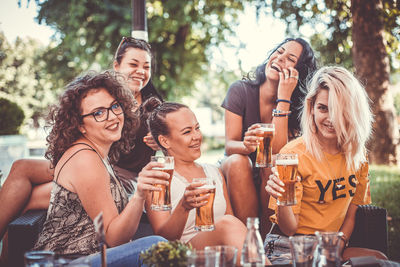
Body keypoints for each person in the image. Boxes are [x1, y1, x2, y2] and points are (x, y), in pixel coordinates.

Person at [0, 37, 162, 253]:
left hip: (120, 176)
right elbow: (116, 238)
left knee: (31, 199)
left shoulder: (153, 105)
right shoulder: (98, 95)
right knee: (22, 167)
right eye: (133, 64)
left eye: (146, 66)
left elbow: (175, 139)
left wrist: (161, 142)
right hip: (93, 169)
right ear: (117, 66)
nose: (140, 71)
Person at [32, 70, 167, 266]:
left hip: (92, 257)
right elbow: (114, 238)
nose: (112, 117)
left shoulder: (96, 153)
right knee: (157, 246)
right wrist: (139, 195)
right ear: (80, 125)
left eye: (114, 106)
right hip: (68, 262)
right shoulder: (85, 159)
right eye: (98, 113)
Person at [264, 66, 387, 263]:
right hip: (288, 245)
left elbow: (353, 207)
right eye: (323, 108)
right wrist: (281, 199)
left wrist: (339, 242)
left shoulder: (357, 155)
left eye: (339, 110)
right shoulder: (294, 154)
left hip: (328, 244)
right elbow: (289, 228)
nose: (330, 119)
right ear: (311, 108)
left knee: (379, 260)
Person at [141, 97, 268, 265]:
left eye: (197, 128)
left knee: (229, 223)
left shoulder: (213, 172)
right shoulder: (158, 178)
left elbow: (230, 222)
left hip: (222, 253)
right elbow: (163, 239)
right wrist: (183, 207)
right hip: (185, 255)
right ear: (165, 141)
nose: (196, 136)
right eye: (187, 132)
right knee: (227, 224)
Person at [220, 37, 317, 236]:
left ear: (299, 71)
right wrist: (246, 146)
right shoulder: (240, 90)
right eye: (279, 51)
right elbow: (229, 146)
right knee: (238, 161)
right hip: (240, 167)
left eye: (290, 58)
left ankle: (266, 242)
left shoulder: (300, 104)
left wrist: (284, 98)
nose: (280, 58)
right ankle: (249, 240)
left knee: (272, 162)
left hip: (272, 172)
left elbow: (279, 152)